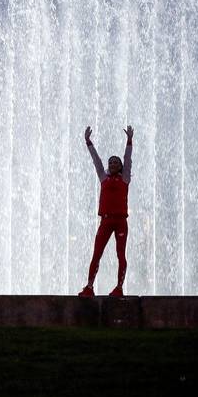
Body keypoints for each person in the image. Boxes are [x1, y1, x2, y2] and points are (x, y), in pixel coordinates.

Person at [78, 125, 133, 298]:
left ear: (121, 166)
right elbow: (96, 161)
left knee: (120, 254)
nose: (112, 164)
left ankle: (119, 287)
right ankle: (89, 286)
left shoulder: (125, 178)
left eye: (116, 162)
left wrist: (129, 141)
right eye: (111, 162)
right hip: (106, 221)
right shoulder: (104, 177)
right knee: (97, 252)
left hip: (120, 221)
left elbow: (128, 159)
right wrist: (88, 142)